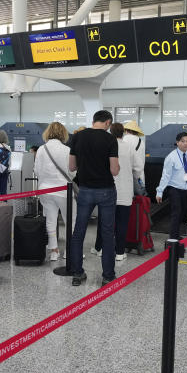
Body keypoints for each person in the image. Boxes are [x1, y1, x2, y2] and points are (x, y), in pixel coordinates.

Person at [68, 110, 119, 287]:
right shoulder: (110, 139)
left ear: (93, 120)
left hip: (85, 190)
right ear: (108, 123)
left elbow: (72, 166)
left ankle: (77, 273)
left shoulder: (78, 137)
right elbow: (114, 170)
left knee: (78, 232)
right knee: (107, 233)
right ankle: (107, 276)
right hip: (106, 190)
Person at [94, 123, 137, 262]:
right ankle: (119, 252)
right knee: (122, 223)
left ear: (110, 132)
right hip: (125, 191)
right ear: (123, 132)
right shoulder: (129, 147)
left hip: (106, 190)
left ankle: (101, 249)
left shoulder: (105, 145)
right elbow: (138, 167)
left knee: (105, 223)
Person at [36, 121, 74, 261]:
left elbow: (37, 171)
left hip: (46, 190)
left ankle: (54, 251)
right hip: (64, 190)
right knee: (70, 220)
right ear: (63, 133)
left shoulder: (41, 149)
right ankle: (70, 251)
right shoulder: (67, 150)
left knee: (50, 220)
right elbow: (72, 172)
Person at [156, 131, 187, 241]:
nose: (185, 144)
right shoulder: (171, 157)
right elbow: (165, 176)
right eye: (183, 141)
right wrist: (159, 191)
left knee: (182, 214)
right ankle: (173, 238)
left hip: (186, 189)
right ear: (177, 142)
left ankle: (176, 234)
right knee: (176, 212)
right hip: (174, 189)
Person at [122, 121, 146, 193]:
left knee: (128, 195)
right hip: (139, 173)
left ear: (127, 130)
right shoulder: (141, 141)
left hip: (127, 172)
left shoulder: (125, 139)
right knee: (139, 196)